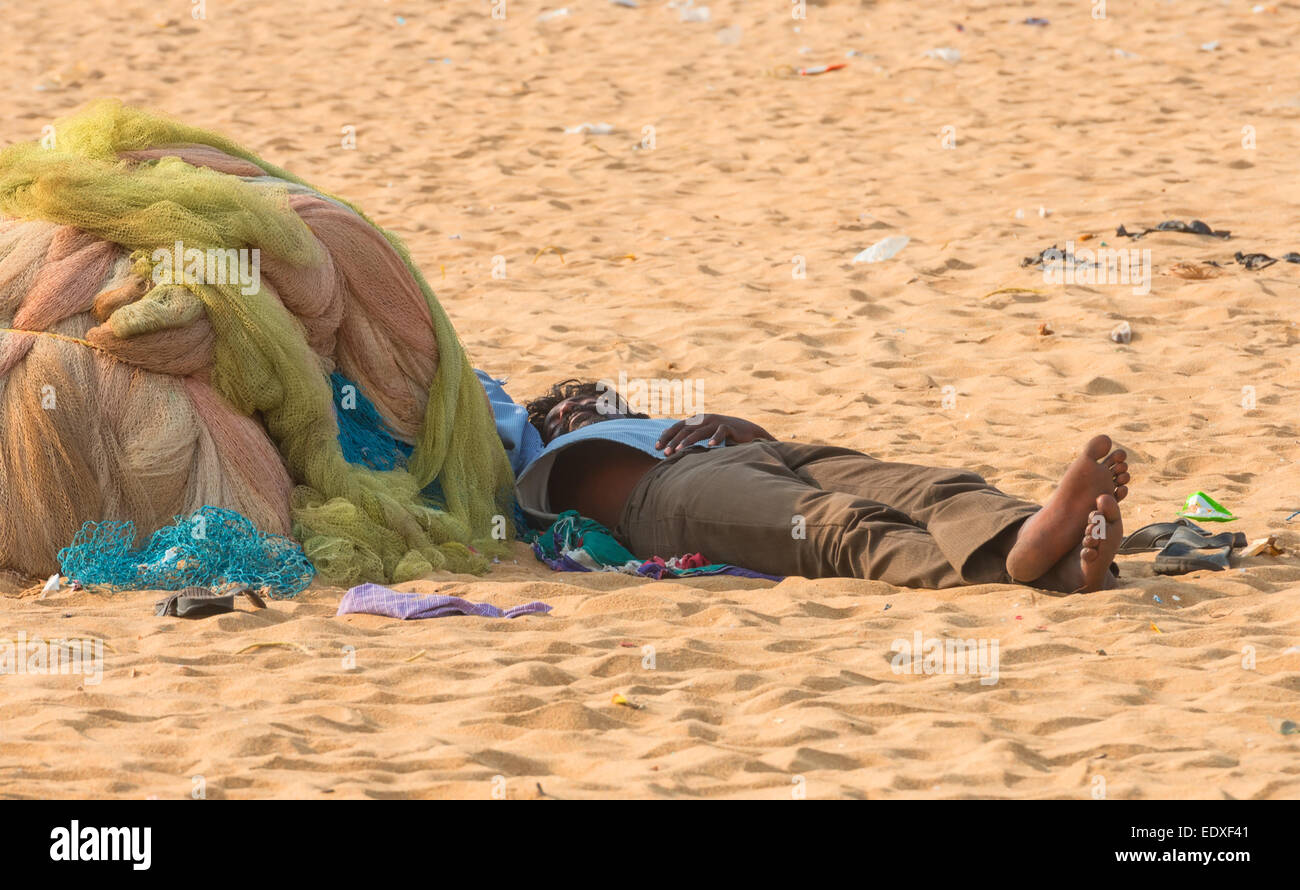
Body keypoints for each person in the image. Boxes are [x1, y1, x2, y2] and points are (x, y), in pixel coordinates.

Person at [507, 378, 1130, 593]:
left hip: (764, 453)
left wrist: (739, 426)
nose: (589, 407)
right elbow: (460, 394)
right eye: (572, 406)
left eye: (599, 396)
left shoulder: (659, 423)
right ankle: (1048, 570)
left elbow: (757, 445)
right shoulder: (537, 455)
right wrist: (551, 421)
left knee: (926, 486)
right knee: (843, 526)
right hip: (665, 500)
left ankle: (1029, 528)